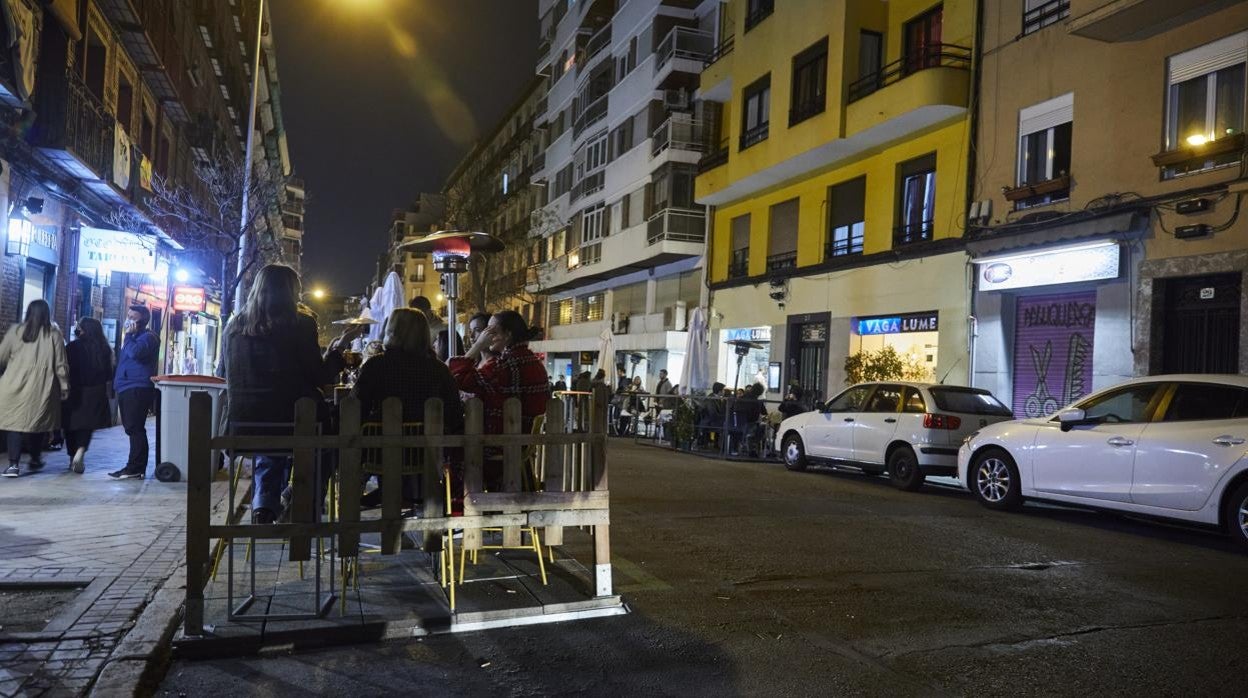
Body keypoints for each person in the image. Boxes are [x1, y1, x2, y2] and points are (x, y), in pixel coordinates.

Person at [225, 264, 353, 524]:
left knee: (273, 439)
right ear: (291, 292)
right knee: (332, 444)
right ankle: (298, 498)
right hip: (293, 424)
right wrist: (337, 354)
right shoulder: (301, 324)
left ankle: (265, 505)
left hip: (243, 426)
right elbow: (319, 377)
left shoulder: (233, 327)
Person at [351, 308, 464, 509]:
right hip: (427, 453)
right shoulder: (439, 369)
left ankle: (387, 494)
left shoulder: (376, 366)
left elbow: (355, 407)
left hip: (379, 453)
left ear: (391, 331)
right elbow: (454, 415)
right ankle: (405, 497)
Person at [449, 310, 548, 489]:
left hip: (500, 444)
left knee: (453, 450)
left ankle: (464, 502)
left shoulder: (504, 365)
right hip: (522, 443)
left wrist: (478, 345)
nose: (487, 336)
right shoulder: (535, 362)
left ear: (508, 335)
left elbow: (456, 377)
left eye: (491, 331)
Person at [0, 300, 69, 477]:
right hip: (41, 386)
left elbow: (2, 355)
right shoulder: (54, 334)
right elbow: (61, 363)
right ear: (47, 313)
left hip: (13, 383)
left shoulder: (16, 331)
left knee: (13, 424)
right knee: (37, 423)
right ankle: (35, 458)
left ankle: (13, 465)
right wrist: (64, 385)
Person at [111, 305, 160, 479]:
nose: (128, 319)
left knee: (135, 428)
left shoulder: (148, 338)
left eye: (133, 317)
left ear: (142, 321)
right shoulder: (133, 337)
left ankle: (136, 468)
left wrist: (129, 336)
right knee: (132, 428)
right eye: (128, 315)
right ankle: (134, 466)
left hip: (137, 387)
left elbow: (135, 353)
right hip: (126, 386)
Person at [62, 317, 113, 474]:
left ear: (83, 330)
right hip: (95, 391)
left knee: (70, 425)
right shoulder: (104, 348)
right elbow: (109, 374)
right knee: (87, 426)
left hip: (74, 390)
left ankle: (72, 457)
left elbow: (65, 368)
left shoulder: (72, 347)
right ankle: (81, 450)